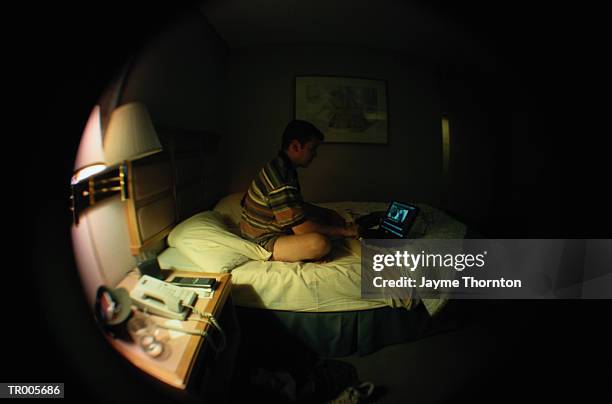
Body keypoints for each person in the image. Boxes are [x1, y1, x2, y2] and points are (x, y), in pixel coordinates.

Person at [240, 120, 359, 262]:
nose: (315, 154)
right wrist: (345, 231)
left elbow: (295, 206)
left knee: (323, 220)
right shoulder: (281, 178)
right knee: (319, 243)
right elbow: (302, 230)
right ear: (295, 146)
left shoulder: (282, 166)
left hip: (264, 229)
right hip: (260, 240)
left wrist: (326, 212)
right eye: (312, 149)